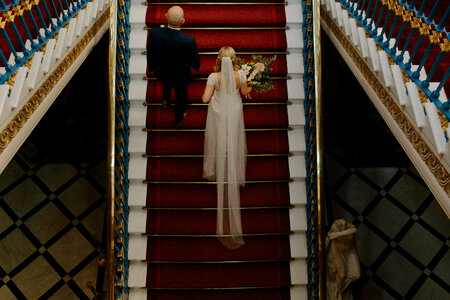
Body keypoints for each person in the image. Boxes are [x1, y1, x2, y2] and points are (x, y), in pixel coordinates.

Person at [202, 46, 252, 249]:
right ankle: (236, 169)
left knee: (217, 136)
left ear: (219, 59)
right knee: (234, 137)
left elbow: (205, 99)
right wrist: (251, 79)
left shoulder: (213, 77)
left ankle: (215, 163)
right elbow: (246, 91)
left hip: (220, 112)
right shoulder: (241, 74)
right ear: (234, 60)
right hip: (234, 111)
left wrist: (215, 95)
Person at [146, 6, 201, 124]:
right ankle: (178, 117)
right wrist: (196, 66)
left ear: (165, 16)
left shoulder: (154, 32)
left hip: (162, 71)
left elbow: (150, 52)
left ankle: (165, 100)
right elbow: (196, 63)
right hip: (180, 76)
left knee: (167, 83)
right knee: (181, 97)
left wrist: (152, 67)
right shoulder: (189, 41)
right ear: (183, 21)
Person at [326, 219, 361, 300]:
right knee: (341, 275)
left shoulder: (349, 227)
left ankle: (339, 287)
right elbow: (329, 238)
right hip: (338, 252)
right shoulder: (333, 231)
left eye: (343, 224)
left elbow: (354, 230)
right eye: (339, 224)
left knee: (357, 275)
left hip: (350, 252)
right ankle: (339, 293)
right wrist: (330, 235)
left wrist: (337, 234)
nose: (341, 225)